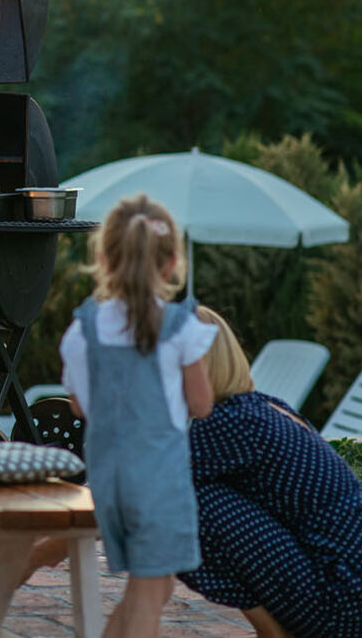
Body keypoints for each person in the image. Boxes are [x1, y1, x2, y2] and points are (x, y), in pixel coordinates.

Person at [179, 306, 362, 638]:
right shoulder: (261, 407)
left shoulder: (230, 423)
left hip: (346, 601)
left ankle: (275, 634)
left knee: (181, 501)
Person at [58, 194, 217, 638]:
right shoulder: (180, 327)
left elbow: (79, 406)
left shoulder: (83, 328)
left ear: (104, 259)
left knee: (155, 587)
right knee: (150, 600)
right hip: (159, 483)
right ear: (170, 265)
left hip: (109, 482)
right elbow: (202, 405)